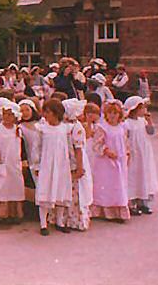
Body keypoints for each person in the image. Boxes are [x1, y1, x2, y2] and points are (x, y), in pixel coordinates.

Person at [35, 99, 73, 236]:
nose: (45, 115)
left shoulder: (65, 128)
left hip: (61, 163)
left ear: (56, 113)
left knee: (60, 190)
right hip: (47, 164)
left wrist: (72, 164)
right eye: (44, 111)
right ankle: (43, 224)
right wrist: (36, 165)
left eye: (48, 112)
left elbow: (69, 148)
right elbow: (37, 148)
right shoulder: (42, 128)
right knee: (45, 190)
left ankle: (59, 221)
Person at [90, 99, 130, 222]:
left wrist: (127, 154)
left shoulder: (122, 128)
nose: (112, 115)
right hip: (105, 161)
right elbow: (96, 144)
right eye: (110, 113)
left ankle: (118, 209)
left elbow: (125, 143)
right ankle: (104, 210)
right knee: (105, 184)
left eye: (115, 113)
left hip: (119, 160)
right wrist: (106, 151)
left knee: (118, 184)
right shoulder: (102, 128)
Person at [59, 98, 93, 232]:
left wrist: (80, 166)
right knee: (68, 190)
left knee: (76, 191)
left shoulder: (76, 127)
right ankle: (65, 218)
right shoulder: (66, 126)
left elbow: (78, 148)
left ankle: (74, 219)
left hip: (74, 162)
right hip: (67, 161)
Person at [124, 96, 158, 215]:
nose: (144, 110)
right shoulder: (127, 123)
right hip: (133, 152)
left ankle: (143, 202)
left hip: (144, 152)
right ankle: (131, 202)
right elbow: (125, 137)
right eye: (142, 108)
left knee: (144, 174)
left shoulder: (142, 121)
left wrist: (149, 121)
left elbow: (151, 132)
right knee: (133, 175)